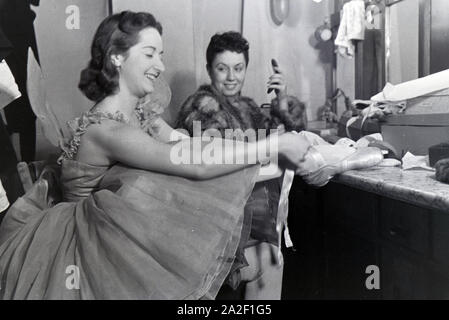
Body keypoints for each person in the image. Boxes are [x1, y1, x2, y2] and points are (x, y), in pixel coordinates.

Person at [0, 11, 312, 300]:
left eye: (160, 55)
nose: (161, 66)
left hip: (120, 243)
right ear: (117, 57)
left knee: (257, 257)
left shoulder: (141, 114)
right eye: (149, 54)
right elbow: (196, 166)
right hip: (91, 253)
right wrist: (275, 147)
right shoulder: (104, 130)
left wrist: (274, 140)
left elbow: (189, 146)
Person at [176, 31, 308, 299]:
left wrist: (282, 99)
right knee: (272, 259)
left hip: (245, 213)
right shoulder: (203, 105)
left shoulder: (246, 106)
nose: (231, 77)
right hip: (216, 219)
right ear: (209, 69)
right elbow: (216, 160)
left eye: (238, 68)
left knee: (275, 255)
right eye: (222, 69)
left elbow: (286, 136)